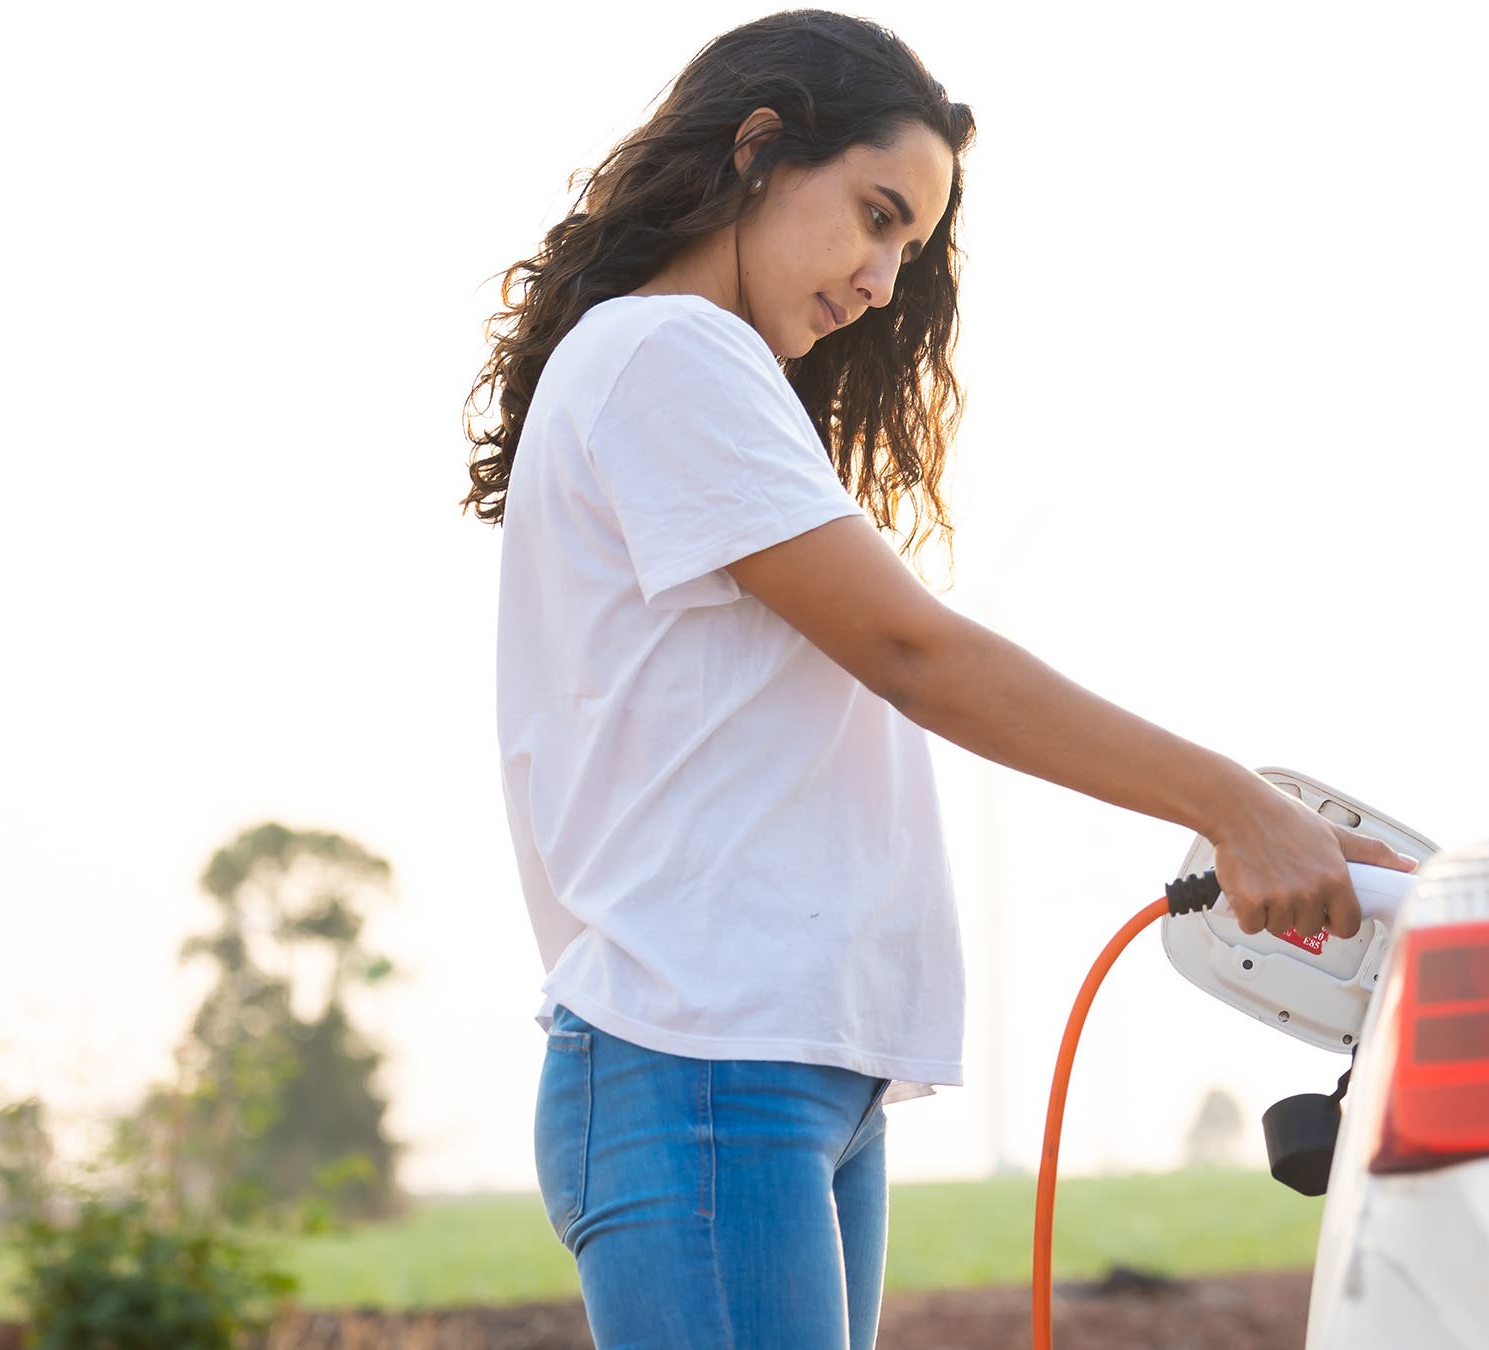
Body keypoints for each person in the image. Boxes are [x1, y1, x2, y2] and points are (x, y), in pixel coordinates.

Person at [460, 11, 1413, 1347]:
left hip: (775, 1071)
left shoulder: (689, 372)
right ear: (757, 150)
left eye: (910, 242)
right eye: (874, 213)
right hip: (704, 1066)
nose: (885, 277)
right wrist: (1232, 801)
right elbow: (916, 654)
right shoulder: (662, 354)